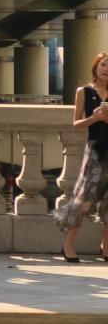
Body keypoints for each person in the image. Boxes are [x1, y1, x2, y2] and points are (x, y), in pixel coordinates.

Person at [55, 51, 108, 261]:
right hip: (95, 150)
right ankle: (67, 245)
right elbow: (76, 124)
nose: (106, 69)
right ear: (95, 67)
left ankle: (106, 246)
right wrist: (94, 118)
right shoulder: (84, 91)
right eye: (103, 64)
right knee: (83, 200)